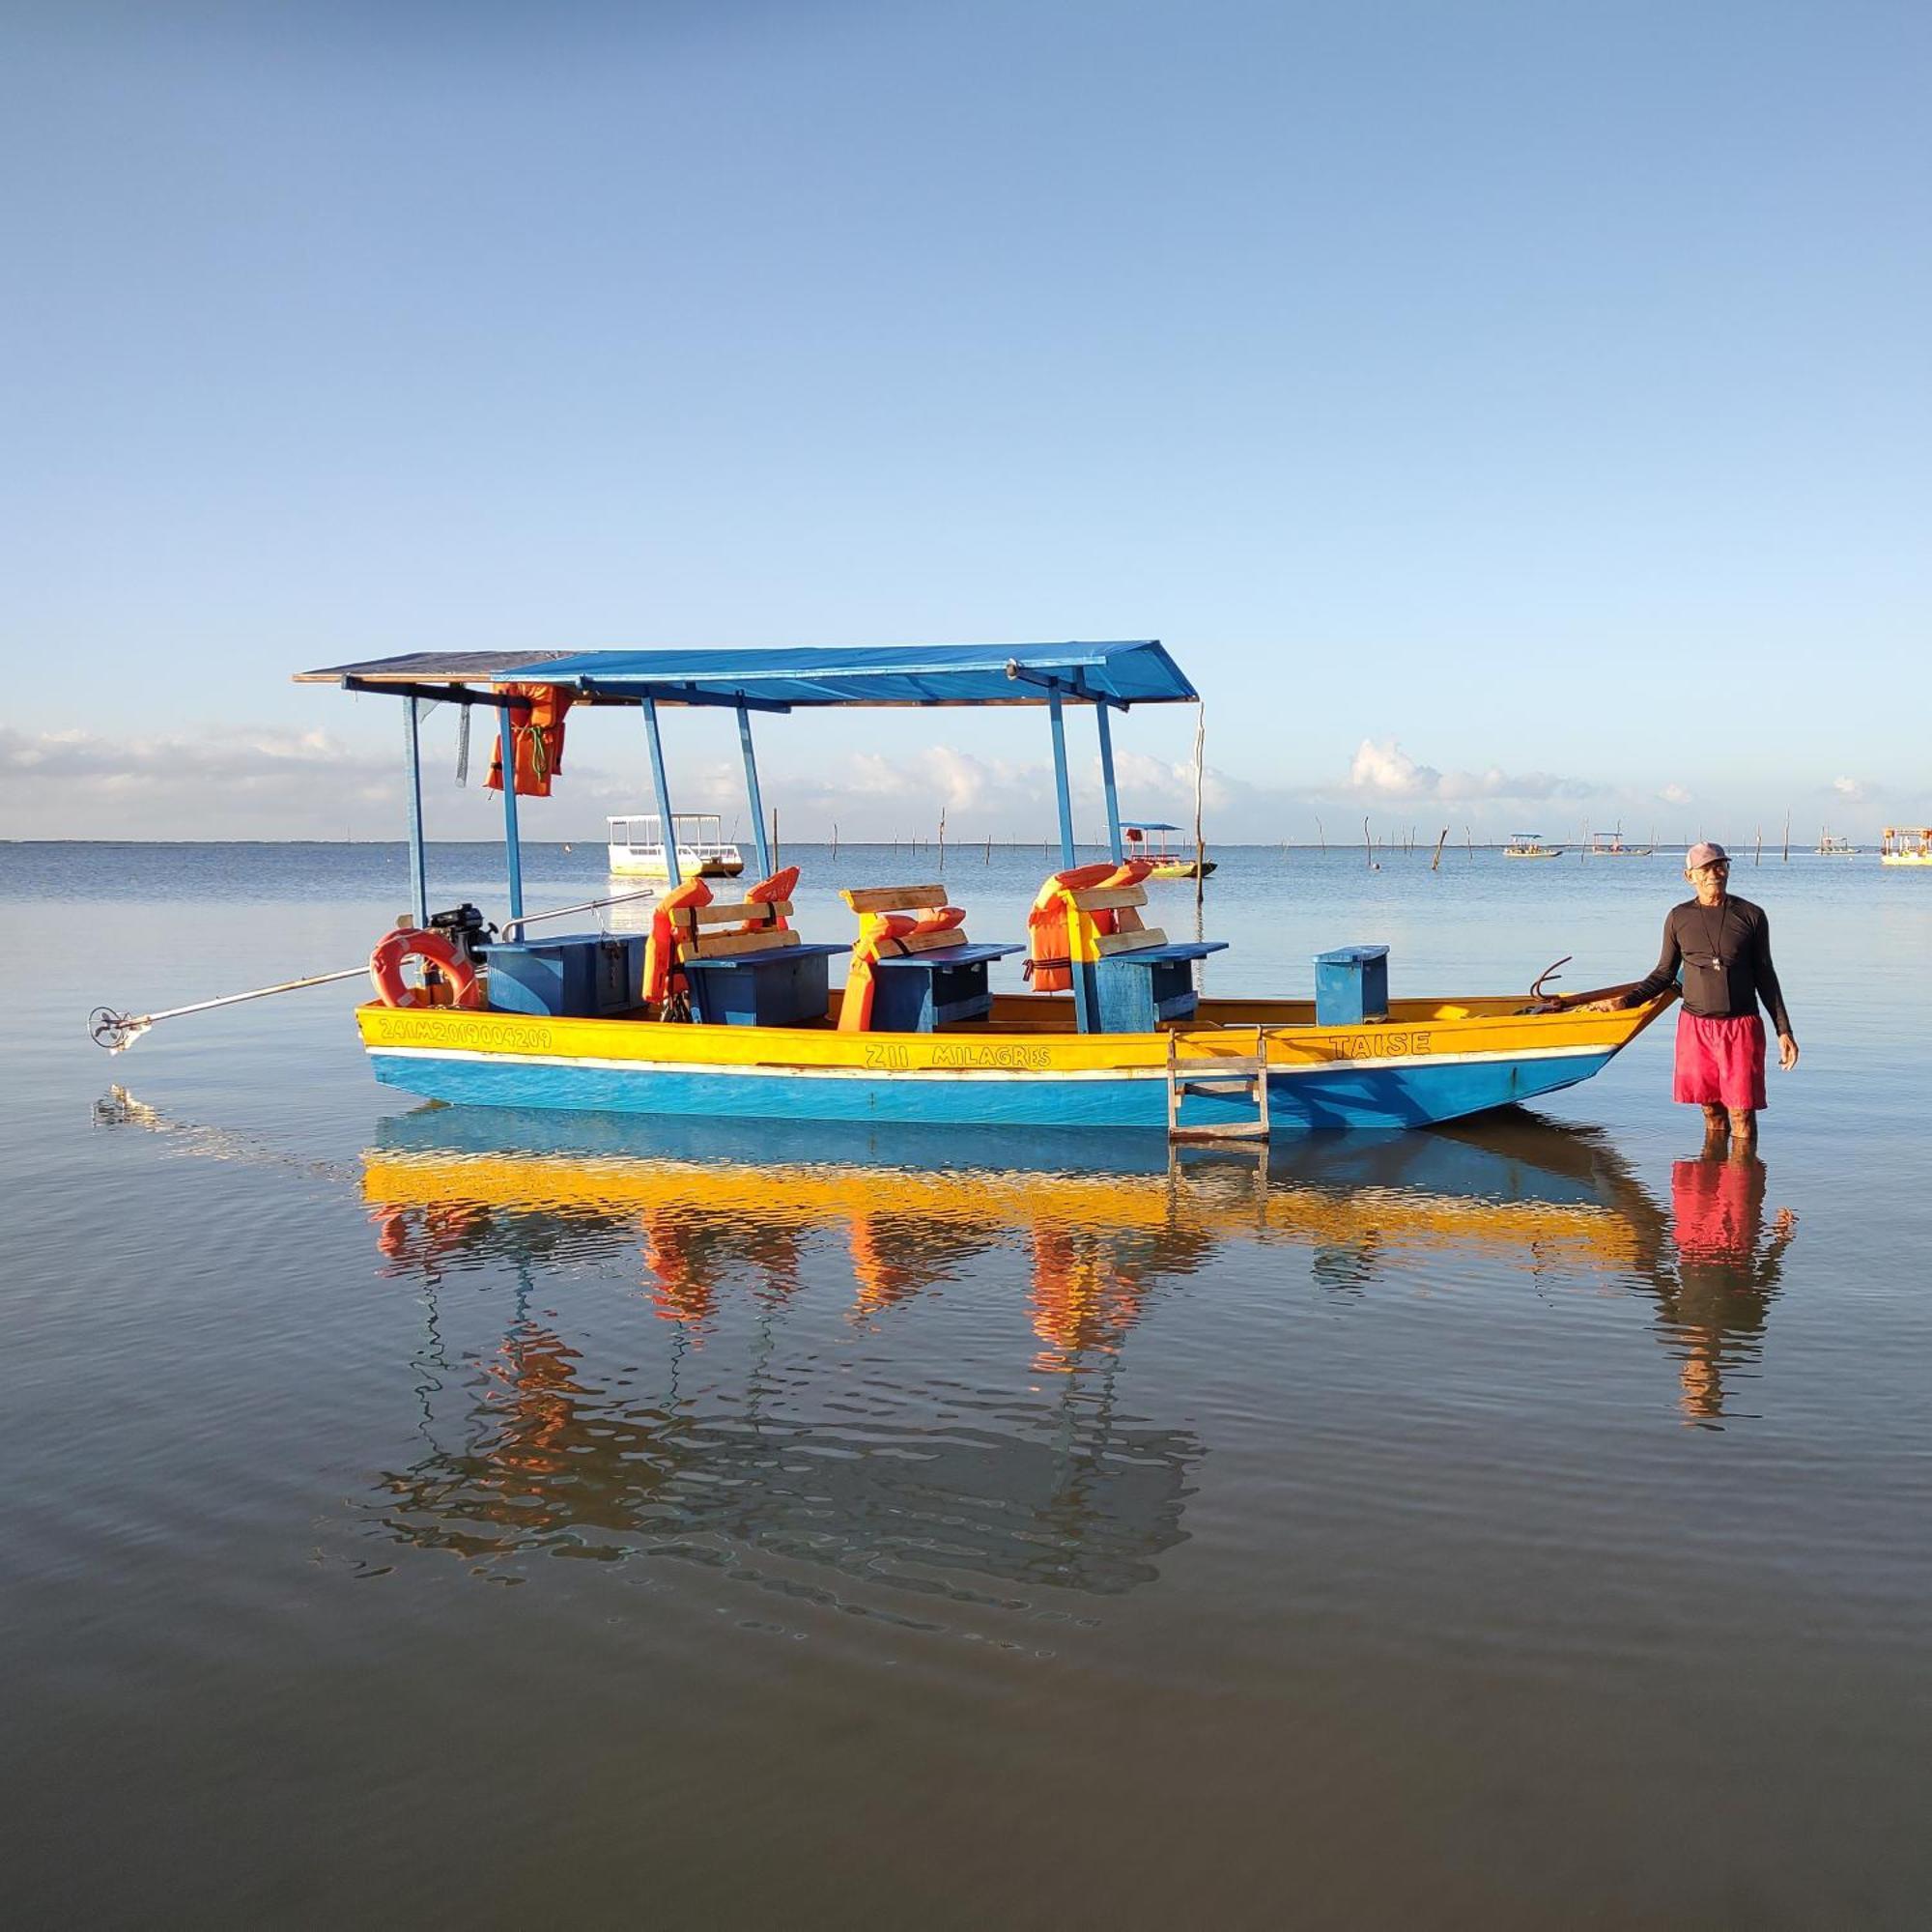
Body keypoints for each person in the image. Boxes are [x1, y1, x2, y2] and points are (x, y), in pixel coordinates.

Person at [1590, 841, 1798, 1142]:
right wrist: (1626, 1001)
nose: (1714, 873)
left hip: (1741, 1026)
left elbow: (1765, 975)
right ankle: (1708, 1178)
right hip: (1696, 1027)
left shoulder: (1751, 915)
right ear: (1689, 876)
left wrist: (1784, 1030)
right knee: (1711, 1110)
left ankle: (1743, 1184)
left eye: (1720, 866)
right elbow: (1663, 974)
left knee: (1741, 1112)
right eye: (1706, 868)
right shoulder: (1678, 917)